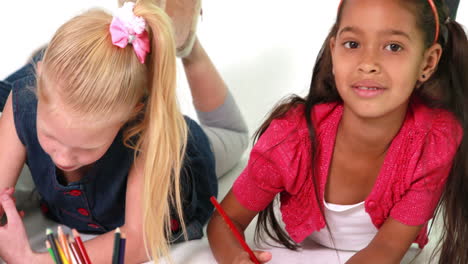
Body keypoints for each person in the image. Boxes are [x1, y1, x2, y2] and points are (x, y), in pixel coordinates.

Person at [207, 0, 467, 263]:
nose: (368, 64)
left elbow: (387, 248)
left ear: (427, 62)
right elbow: (225, 221)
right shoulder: (291, 138)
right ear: (334, 51)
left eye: (393, 47)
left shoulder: (434, 141)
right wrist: (235, 258)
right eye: (352, 44)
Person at [0, 0, 248, 263]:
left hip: (181, 156)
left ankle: (187, 44)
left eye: (86, 148)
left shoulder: (149, 135)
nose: (62, 159)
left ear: (132, 113)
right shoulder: (22, 103)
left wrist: (34, 260)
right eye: (50, 137)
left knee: (235, 136)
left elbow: (137, 242)